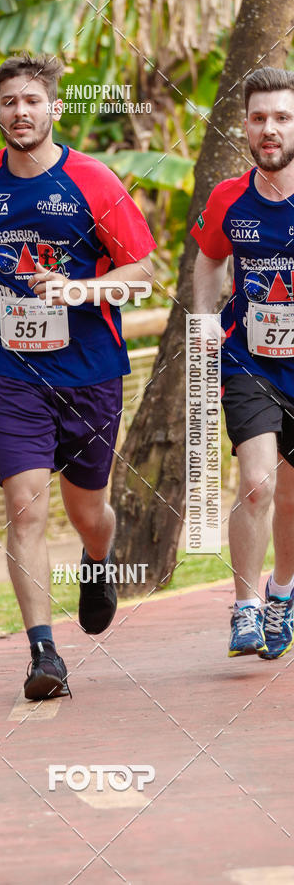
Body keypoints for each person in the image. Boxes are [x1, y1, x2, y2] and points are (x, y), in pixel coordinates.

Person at [0, 53, 155, 699]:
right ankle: (43, 654)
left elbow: (142, 270)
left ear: (54, 108)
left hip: (89, 370)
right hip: (12, 371)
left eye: (32, 101)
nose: (20, 112)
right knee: (24, 506)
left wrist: (79, 290)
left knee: (89, 511)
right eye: (9, 102)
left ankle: (97, 559)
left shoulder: (94, 181)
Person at [192, 66, 294, 660]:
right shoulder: (228, 197)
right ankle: (246, 608)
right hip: (249, 359)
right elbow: (209, 259)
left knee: (292, 496)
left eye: (281, 117)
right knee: (258, 482)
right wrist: (205, 318)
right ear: (246, 128)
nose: (269, 129)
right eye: (259, 118)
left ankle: (282, 593)